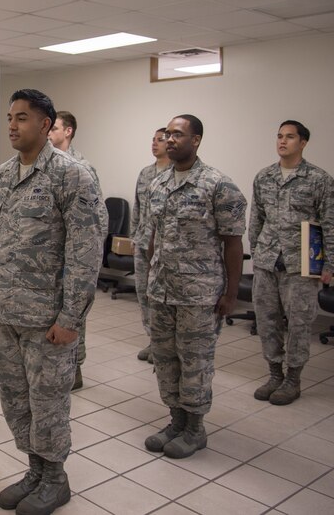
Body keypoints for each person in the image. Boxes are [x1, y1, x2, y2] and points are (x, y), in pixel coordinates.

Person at [0, 89, 102, 514]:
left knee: (48, 402)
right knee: (15, 398)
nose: (12, 126)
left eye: (22, 118)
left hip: (48, 318)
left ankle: (55, 478)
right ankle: (34, 469)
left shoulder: (72, 175)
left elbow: (85, 252)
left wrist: (72, 317)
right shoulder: (4, 174)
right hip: (7, 312)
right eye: (9, 117)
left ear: (44, 124)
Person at [144, 114, 246, 459]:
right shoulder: (158, 183)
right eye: (168, 134)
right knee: (165, 358)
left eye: (178, 134)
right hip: (162, 290)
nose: (170, 140)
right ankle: (175, 420)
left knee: (195, 362)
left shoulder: (218, 185)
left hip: (199, 294)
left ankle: (195, 428)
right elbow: (155, 236)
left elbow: (233, 243)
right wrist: (150, 279)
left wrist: (231, 293)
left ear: (196, 140)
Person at [249, 120, 334, 405]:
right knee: (267, 322)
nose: (282, 141)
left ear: (302, 142)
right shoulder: (264, 177)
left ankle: (293, 378)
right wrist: (256, 252)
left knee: (299, 324)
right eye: (279, 136)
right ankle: (274, 374)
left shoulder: (319, 179)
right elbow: (257, 219)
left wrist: (330, 265)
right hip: (268, 262)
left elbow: (333, 223)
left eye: (290, 137)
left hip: (302, 264)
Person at [48, 110, 107, 390]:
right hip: (48, 260)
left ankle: (77, 367)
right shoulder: (45, 165)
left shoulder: (82, 168)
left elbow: (96, 220)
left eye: (55, 128)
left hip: (72, 258)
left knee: (73, 313)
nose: (49, 132)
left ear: (68, 131)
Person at [134, 128, 171, 363]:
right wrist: (134, 235)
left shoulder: (174, 174)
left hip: (163, 248)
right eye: (153, 140)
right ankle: (152, 339)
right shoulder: (146, 173)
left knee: (160, 297)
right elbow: (137, 208)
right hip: (142, 242)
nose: (155, 144)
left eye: (161, 140)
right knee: (143, 294)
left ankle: (164, 343)